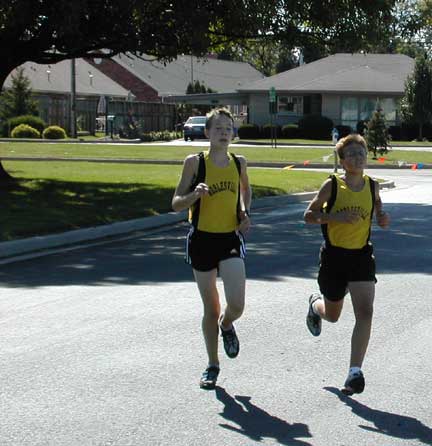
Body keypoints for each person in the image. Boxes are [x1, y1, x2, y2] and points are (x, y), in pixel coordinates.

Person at [304, 133, 390, 395]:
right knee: (332, 315)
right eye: (351, 154)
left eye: (361, 153)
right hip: (334, 257)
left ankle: (355, 372)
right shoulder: (331, 186)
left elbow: (378, 209)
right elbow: (309, 215)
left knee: (365, 312)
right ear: (342, 161)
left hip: (361, 256)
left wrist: (382, 217)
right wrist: (335, 217)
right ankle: (314, 306)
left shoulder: (372, 186)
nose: (357, 157)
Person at [172, 107, 252, 390]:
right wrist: (195, 194)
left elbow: (245, 191)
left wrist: (244, 213)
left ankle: (226, 324)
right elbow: (176, 203)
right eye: (218, 128)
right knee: (211, 307)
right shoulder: (195, 163)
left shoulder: (239, 162)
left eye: (228, 128)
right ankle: (212, 364)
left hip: (229, 239)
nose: (224, 133)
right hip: (202, 240)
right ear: (206, 132)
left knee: (236, 304)